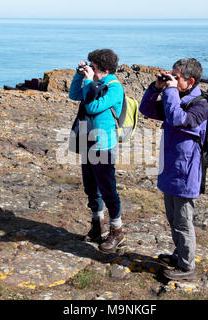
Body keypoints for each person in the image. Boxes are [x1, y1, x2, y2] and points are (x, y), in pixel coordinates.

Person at [139, 58, 208, 281]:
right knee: (173, 218)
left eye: (175, 77)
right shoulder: (176, 98)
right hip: (171, 168)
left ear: (190, 81)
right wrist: (156, 88)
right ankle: (179, 255)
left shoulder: (200, 104)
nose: (172, 79)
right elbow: (146, 109)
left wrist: (169, 91)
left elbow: (179, 120)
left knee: (183, 221)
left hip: (187, 173)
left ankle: (187, 266)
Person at [68, 49, 125, 252]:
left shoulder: (115, 88)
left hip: (103, 145)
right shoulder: (94, 81)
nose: (90, 69)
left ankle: (117, 231)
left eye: (93, 66)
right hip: (87, 140)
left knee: (108, 189)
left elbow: (92, 107)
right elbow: (74, 94)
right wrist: (79, 75)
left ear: (105, 69)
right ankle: (97, 225)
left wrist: (91, 83)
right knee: (91, 187)